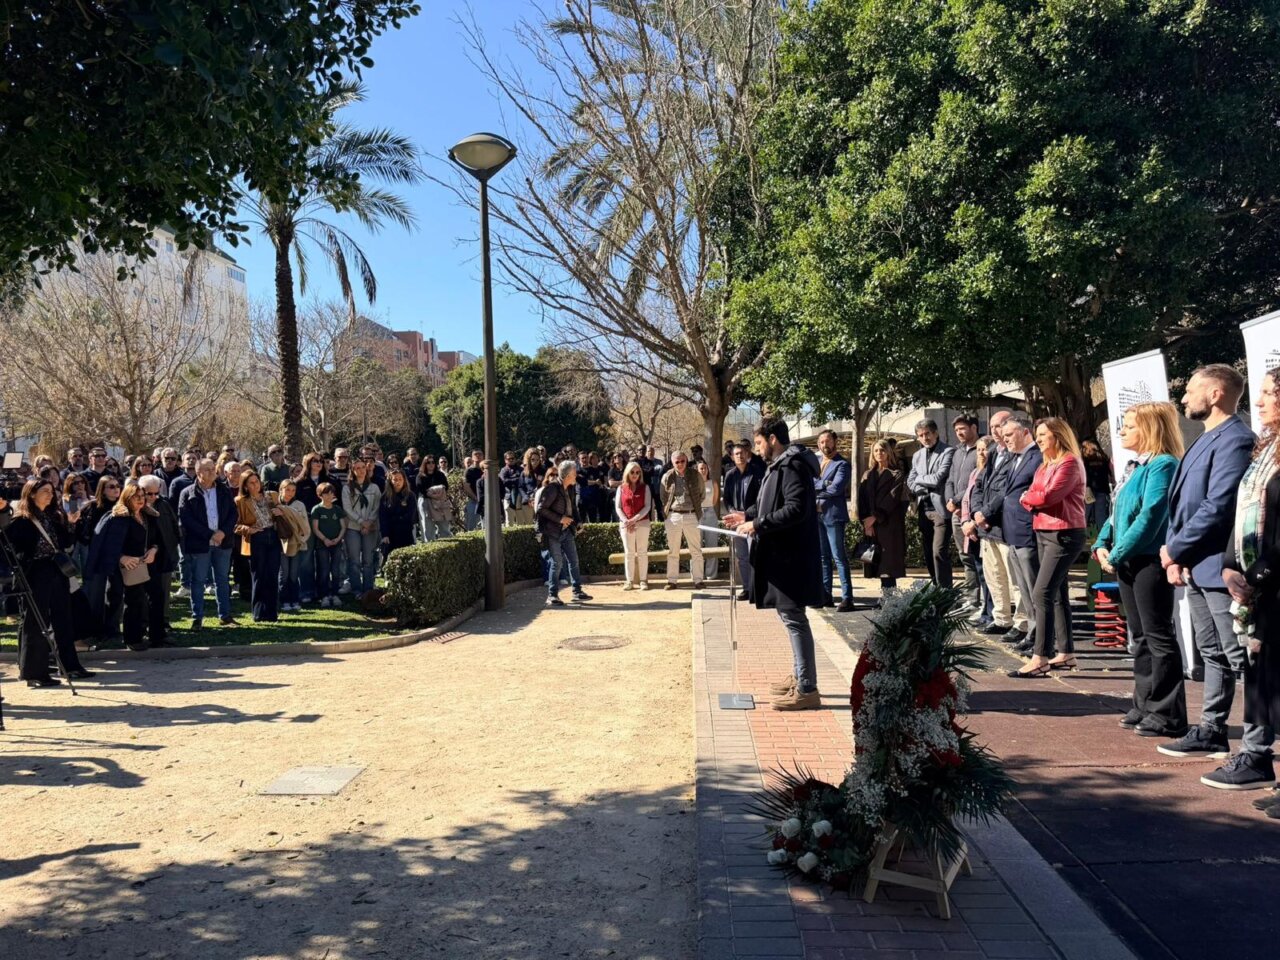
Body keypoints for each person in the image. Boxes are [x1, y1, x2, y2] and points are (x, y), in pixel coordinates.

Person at [1156, 365, 1258, 761]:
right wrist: (1176, 554)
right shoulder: (1203, 438)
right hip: (1196, 564)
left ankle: (1256, 745)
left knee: (1239, 655)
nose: (1183, 398)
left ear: (1215, 394)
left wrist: (1175, 549)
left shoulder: (1236, 440)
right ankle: (1212, 730)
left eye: (1191, 390)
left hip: (1220, 567)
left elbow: (1218, 507)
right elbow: (1182, 505)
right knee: (1211, 652)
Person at [1095, 402, 1186, 738]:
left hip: (1148, 560)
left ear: (1150, 429)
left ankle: (1168, 714)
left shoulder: (1163, 464)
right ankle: (1144, 703)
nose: (1122, 432)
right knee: (1140, 636)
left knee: (1158, 636)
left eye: (1130, 426)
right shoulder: (1135, 466)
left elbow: (1151, 515)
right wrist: (1101, 542)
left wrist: (1117, 552)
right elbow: (1117, 511)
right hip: (1128, 559)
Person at [1209, 369, 1280, 793]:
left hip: (1271, 580)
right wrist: (1229, 565)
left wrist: (1255, 576)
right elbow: (1243, 515)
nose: (1260, 401)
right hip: (1257, 585)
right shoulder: (1266, 451)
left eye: (1270, 393)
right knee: (1260, 674)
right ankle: (1256, 759)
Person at [725, 419, 824, 711]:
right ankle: (800, 676)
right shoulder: (780, 464)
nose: (756, 450)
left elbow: (795, 508)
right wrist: (747, 515)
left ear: (772, 439)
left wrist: (758, 524)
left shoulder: (792, 466)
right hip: (783, 556)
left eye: (758, 443)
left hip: (791, 557)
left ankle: (807, 688)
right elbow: (770, 502)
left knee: (795, 619)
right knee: (790, 617)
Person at [1009, 418, 1086, 677]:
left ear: (1058, 436)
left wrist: (1030, 499)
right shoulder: (1045, 465)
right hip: (1043, 530)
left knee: (1041, 592)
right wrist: (1033, 498)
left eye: (1043, 434)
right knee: (1056, 593)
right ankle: (1066, 653)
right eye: (1038, 434)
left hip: (1064, 533)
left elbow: (1047, 496)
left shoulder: (1069, 463)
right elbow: (1034, 494)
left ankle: (1040, 656)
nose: (1039, 439)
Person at [1, 480, 92, 685]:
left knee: (64, 619)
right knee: (35, 622)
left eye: (51, 491)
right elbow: (9, 549)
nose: (50, 495)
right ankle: (34, 673)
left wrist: (71, 524)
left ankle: (69, 666)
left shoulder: (52, 517)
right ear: (32, 494)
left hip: (57, 571)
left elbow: (65, 543)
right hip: (36, 573)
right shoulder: (21, 520)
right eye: (45, 491)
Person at [87, 480, 157, 650]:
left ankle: (134, 637)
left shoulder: (147, 515)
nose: (140, 500)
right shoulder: (118, 517)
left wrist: (154, 550)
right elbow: (106, 543)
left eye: (142, 496)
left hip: (140, 565)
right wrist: (122, 558)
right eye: (136, 497)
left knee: (137, 601)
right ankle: (115, 634)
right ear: (127, 498)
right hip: (119, 567)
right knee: (116, 599)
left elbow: (155, 539)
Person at [971, 410, 1022, 639]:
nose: (995, 431)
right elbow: (979, 485)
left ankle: (1022, 623)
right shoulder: (993, 453)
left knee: (1014, 579)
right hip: (986, 528)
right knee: (994, 576)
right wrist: (976, 512)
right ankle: (1002, 618)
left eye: (999, 426)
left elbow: (1005, 491)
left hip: (1004, 526)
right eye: (992, 426)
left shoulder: (1016, 455)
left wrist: (985, 513)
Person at [996, 415, 1044, 655]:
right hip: (1012, 531)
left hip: (1028, 531)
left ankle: (1041, 637)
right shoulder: (1014, 458)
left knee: (1035, 588)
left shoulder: (1037, 458)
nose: (1005, 440)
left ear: (1025, 432)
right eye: (1003, 436)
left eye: (1009, 435)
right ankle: (1032, 632)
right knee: (1023, 588)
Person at [178, 458, 238, 629]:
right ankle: (197, 617)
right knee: (198, 580)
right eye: (208, 469)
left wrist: (223, 532)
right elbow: (186, 519)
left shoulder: (224, 490)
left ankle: (225, 616)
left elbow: (233, 514)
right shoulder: (188, 493)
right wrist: (210, 535)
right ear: (198, 473)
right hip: (200, 544)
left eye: (213, 469)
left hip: (223, 542)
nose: (213, 472)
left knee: (222, 580)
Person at [858, 439, 908, 604]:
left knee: (888, 564)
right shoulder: (867, 475)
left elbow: (892, 498)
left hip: (889, 524)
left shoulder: (896, 474)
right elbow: (862, 500)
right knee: (876, 562)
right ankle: (885, 598)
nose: (879, 453)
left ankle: (889, 599)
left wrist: (876, 517)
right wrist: (866, 522)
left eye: (882, 450)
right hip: (871, 525)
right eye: (876, 451)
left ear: (889, 452)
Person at [907, 418, 956, 588]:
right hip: (923, 508)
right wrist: (920, 484)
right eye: (920, 435)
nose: (924, 438)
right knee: (928, 553)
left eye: (927, 433)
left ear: (935, 433)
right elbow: (910, 481)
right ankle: (936, 588)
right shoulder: (917, 455)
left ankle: (946, 591)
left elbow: (938, 479)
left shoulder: (948, 451)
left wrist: (919, 479)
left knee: (938, 551)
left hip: (940, 509)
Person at [537, 460, 592, 607]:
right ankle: (552, 595)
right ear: (567, 475)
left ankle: (577, 592)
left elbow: (573, 508)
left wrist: (578, 522)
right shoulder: (552, 488)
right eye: (574, 473)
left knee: (574, 560)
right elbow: (541, 509)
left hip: (567, 530)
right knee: (557, 563)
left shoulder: (571, 488)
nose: (576, 475)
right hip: (552, 531)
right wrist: (560, 519)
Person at [234, 471, 286, 622]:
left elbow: (284, 514)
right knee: (258, 576)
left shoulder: (272, 496)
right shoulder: (240, 501)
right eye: (251, 483)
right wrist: (248, 529)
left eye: (257, 481)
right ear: (245, 486)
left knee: (272, 575)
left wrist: (280, 512)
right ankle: (258, 613)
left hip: (273, 536)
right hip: (256, 538)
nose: (255, 485)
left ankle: (272, 613)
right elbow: (234, 525)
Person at [138, 474, 180, 646]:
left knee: (160, 594)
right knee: (141, 596)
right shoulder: (135, 508)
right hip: (141, 559)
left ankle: (160, 628)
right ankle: (142, 628)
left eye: (157, 493)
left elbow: (173, 526)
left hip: (163, 555)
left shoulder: (163, 504)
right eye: (150, 494)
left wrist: (173, 545)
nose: (154, 497)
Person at [945, 414, 981, 611]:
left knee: (978, 558)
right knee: (965, 556)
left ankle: (986, 602)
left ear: (974, 428)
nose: (959, 433)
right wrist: (950, 501)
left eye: (963, 429)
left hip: (973, 513)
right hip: (957, 513)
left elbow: (977, 482)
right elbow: (950, 480)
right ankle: (971, 599)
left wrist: (957, 500)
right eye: (957, 430)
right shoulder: (957, 451)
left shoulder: (983, 449)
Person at [814, 429, 853, 611]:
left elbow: (836, 488)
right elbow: (808, 484)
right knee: (823, 557)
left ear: (835, 442)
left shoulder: (842, 464)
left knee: (839, 557)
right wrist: (824, 484)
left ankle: (847, 598)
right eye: (822, 442)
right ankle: (826, 596)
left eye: (828, 441)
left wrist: (817, 488)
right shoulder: (816, 463)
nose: (825, 445)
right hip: (817, 515)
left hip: (834, 516)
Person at [723, 442, 764, 601]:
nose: (739, 456)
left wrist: (745, 515)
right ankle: (747, 588)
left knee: (755, 555)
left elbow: (761, 499)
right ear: (732, 457)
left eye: (742, 453)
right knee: (742, 557)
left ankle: (757, 588)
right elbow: (726, 499)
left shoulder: (757, 472)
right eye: (736, 454)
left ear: (747, 454)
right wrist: (733, 513)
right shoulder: (730, 475)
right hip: (736, 523)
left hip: (751, 521)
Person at [661, 451, 704, 589]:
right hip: (673, 516)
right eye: (677, 462)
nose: (680, 464)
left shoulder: (695, 475)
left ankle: (698, 580)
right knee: (673, 550)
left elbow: (702, 494)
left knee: (696, 550)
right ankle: (672, 581)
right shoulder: (667, 476)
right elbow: (663, 496)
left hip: (691, 514)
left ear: (686, 461)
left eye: (682, 461)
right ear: (672, 463)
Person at [342, 457, 381, 596]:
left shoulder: (374, 487)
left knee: (368, 559)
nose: (361, 470)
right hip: (353, 527)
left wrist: (369, 522)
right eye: (357, 468)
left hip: (370, 527)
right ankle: (356, 589)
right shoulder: (347, 488)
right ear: (353, 470)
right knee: (354, 560)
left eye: (363, 467)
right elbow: (347, 508)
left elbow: (377, 506)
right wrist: (361, 521)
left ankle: (368, 588)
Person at [615, 460, 653, 590]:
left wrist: (634, 520)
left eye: (637, 472)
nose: (635, 475)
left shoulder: (645, 487)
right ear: (627, 473)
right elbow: (618, 507)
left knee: (642, 552)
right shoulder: (621, 488)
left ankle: (643, 580)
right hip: (625, 524)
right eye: (632, 472)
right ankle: (629, 581)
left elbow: (647, 506)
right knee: (629, 553)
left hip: (642, 523)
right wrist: (626, 521)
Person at [276, 478, 311, 612]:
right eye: (287, 490)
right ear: (281, 490)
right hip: (281, 543)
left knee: (294, 573)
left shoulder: (299, 505)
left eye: (293, 490)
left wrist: (302, 539)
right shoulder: (275, 503)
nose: (290, 493)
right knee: (284, 573)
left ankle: (294, 600)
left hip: (295, 543)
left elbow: (304, 524)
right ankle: (284, 600)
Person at [168, 452, 199, 599]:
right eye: (188, 459)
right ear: (182, 463)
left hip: (202, 526)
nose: (191, 461)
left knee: (202, 557)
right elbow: (172, 506)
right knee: (184, 557)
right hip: (183, 526)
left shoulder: (203, 480)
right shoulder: (177, 482)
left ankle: (205, 583)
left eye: (194, 458)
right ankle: (185, 585)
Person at [311, 482, 347, 608]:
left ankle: (335, 594)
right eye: (326, 493)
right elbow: (315, 528)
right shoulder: (317, 509)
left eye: (331, 493)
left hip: (336, 544)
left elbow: (343, 526)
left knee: (335, 570)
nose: (329, 496)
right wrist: (325, 539)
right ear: (320, 495)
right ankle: (324, 595)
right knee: (324, 570)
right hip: (322, 545)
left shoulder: (337, 509)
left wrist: (338, 539)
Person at [380, 468, 417, 560]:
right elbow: (383, 516)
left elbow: (411, 515)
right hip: (390, 534)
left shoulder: (410, 496)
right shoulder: (385, 497)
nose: (398, 482)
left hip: (405, 532)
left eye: (400, 479)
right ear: (390, 481)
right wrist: (385, 534)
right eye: (395, 479)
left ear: (404, 480)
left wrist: (396, 519)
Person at [696, 458, 722, 581]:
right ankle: (697, 574)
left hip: (710, 513)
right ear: (697, 470)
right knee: (696, 545)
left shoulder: (713, 483)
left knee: (712, 545)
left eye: (705, 468)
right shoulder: (694, 484)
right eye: (701, 468)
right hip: (697, 514)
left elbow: (715, 500)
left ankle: (711, 574)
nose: (703, 470)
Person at [416, 454, 451, 541]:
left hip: (440, 501)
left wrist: (437, 494)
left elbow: (446, 486)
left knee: (444, 527)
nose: (431, 464)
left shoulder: (440, 475)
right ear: (424, 464)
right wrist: (432, 494)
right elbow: (421, 489)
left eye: (433, 462)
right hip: (426, 502)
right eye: (428, 462)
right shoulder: (420, 476)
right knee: (428, 528)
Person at [61, 473, 91, 574]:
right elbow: (72, 514)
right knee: (73, 567)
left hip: (86, 536)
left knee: (87, 566)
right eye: (76, 483)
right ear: (70, 485)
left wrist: (85, 499)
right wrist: (75, 499)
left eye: (82, 482)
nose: (80, 485)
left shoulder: (90, 498)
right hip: (72, 536)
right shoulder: (66, 498)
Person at [1082, 439, 1114, 530]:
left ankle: (1081, 534)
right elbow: (1110, 474)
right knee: (1101, 515)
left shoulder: (1084, 459)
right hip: (1102, 489)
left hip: (1088, 490)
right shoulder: (1104, 458)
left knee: (1084, 514)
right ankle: (1103, 535)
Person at [505, 448, 540, 526]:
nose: (535, 462)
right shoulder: (524, 472)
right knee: (528, 525)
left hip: (541, 502)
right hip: (528, 502)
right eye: (532, 459)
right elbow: (521, 487)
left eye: (537, 460)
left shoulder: (543, 471)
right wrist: (527, 498)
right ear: (528, 460)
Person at [463, 449, 484, 531]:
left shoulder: (486, 470)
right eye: (475, 454)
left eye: (480, 454)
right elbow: (466, 487)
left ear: (483, 456)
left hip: (485, 501)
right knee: (471, 527)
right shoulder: (468, 471)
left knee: (486, 526)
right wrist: (476, 498)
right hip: (473, 501)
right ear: (472, 457)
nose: (478, 456)